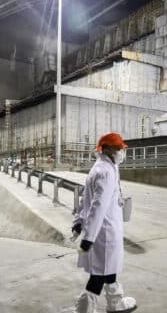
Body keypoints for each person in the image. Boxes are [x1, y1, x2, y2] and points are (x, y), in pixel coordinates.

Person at [70, 133, 137, 313]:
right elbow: (97, 207)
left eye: (122, 148)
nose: (122, 152)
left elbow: (86, 199)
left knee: (108, 271)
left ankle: (115, 302)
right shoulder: (106, 172)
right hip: (104, 232)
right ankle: (84, 309)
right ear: (106, 149)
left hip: (103, 230)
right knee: (98, 277)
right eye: (118, 149)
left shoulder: (104, 167)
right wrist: (88, 238)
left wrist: (78, 223)